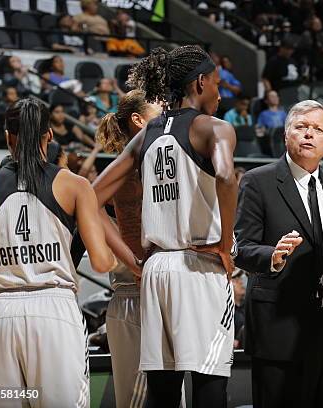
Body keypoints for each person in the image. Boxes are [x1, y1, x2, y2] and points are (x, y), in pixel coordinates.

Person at [91, 46, 238, 408]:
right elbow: (226, 176)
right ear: (201, 82)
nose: (220, 92)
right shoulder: (213, 127)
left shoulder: (146, 135)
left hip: (155, 269)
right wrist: (224, 242)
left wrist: (132, 258)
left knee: (163, 389)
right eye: (217, 83)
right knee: (209, 381)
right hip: (199, 266)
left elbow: (90, 197)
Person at [0, 98, 115, 407]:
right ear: (48, 135)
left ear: (8, 136)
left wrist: (1, 286)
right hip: (55, 309)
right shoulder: (75, 185)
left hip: (2, 314)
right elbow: (102, 262)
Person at [235, 100, 323, 408]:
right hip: (280, 326)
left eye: (318, 129)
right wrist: (271, 256)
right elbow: (241, 247)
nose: (309, 135)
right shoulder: (257, 181)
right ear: (286, 134)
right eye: (301, 127)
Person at [94, 90, 162, 408]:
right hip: (134, 294)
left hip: (167, 290)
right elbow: (90, 203)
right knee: (136, 401)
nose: (167, 112)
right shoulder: (127, 166)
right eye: (158, 108)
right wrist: (133, 262)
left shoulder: (162, 159)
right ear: (138, 120)